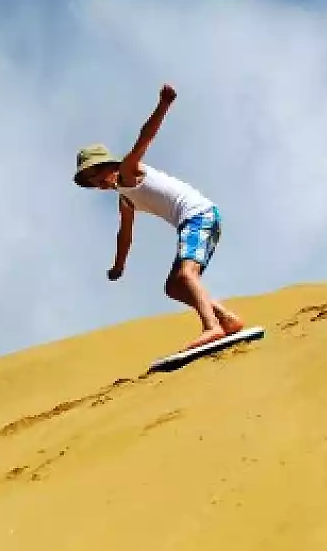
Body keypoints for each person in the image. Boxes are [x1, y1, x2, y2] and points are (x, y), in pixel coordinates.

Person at [73, 83, 244, 352]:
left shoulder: (129, 171)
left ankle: (212, 327)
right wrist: (119, 266)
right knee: (174, 287)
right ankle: (226, 318)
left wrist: (163, 105)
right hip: (193, 222)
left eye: (96, 175)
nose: (97, 184)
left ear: (108, 165)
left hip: (199, 215)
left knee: (187, 274)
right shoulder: (125, 198)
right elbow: (125, 234)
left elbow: (145, 138)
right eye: (91, 182)